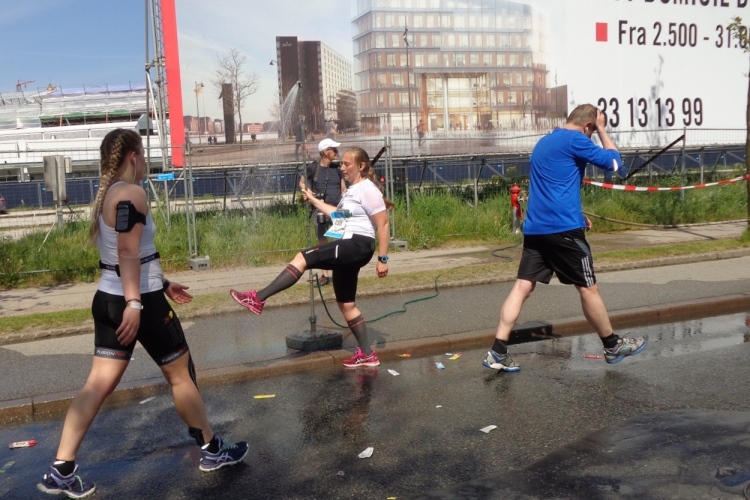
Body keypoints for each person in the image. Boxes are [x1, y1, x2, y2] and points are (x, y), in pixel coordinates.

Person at [37, 129, 248, 499]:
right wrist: (136, 303)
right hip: (138, 304)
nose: (147, 162)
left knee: (95, 386)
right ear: (133, 157)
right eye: (144, 155)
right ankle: (213, 450)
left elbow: (125, 255)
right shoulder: (131, 193)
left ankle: (61, 470)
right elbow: (126, 251)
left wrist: (162, 282)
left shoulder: (108, 194)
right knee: (180, 377)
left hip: (109, 298)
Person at [483, 104, 646, 372]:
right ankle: (612, 345)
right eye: (592, 130)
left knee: (523, 286)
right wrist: (602, 129)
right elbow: (615, 164)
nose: (591, 135)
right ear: (587, 126)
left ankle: (498, 351)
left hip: (537, 229)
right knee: (588, 287)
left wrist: (578, 213)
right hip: (564, 230)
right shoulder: (576, 140)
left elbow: (555, 185)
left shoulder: (545, 142)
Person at [230, 146, 393, 368]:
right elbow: (339, 216)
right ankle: (367, 354)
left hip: (357, 244)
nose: (342, 167)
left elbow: (383, 224)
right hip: (350, 245)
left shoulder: (367, 188)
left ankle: (257, 299)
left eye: (347, 164)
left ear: (361, 166)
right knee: (346, 305)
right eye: (342, 164)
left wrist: (383, 260)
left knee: (302, 257)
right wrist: (313, 200)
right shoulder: (353, 191)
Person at [299, 138, 346, 286]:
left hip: (337, 210)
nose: (337, 152)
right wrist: (307, 192)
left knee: (340, 241)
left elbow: (343, 189)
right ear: (326, 152)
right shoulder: (313, 168)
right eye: (334, 150)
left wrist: (346, 205)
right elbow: (302, 182)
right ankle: (325, 275)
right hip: (319, 210)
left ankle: (340, 273)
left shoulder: (338, 168)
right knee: (323, 243)